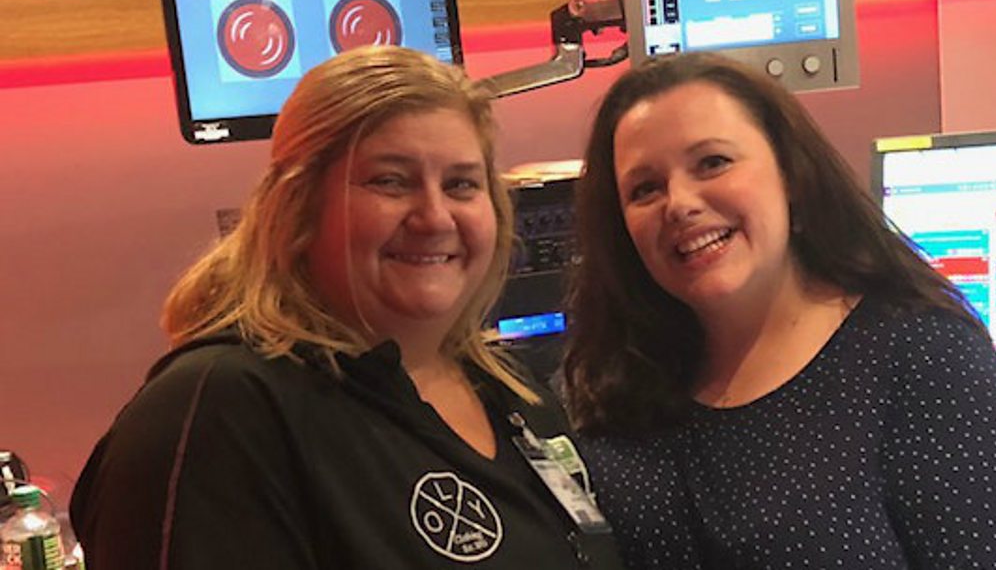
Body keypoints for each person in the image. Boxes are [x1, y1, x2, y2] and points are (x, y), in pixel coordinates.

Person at [70, 46, 625, 570]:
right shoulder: (221, 408)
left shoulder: (508, 390)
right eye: (390, 181)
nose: (435, 217)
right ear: (297, 205)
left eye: (461, 184)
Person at [562, 52, 996, 569]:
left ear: (790, 174)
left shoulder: (923, 359)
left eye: (712, 162)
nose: (679, 203)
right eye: (645, 189)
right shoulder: (609, 382)